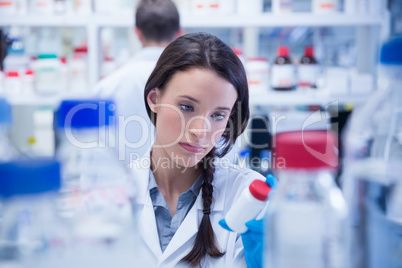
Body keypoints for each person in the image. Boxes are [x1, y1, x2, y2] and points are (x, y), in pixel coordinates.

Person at [129, 32, 276, 267]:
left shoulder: (247, 199)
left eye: (218, 115)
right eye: (186, 107)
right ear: (154, 98)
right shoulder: (110, 192)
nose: (200, 131)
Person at [94, 0, 182, 163]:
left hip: (122, 186)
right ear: (179, 33)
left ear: (137, 33)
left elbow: (95, 154)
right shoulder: (195, 84)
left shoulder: (107, 87)